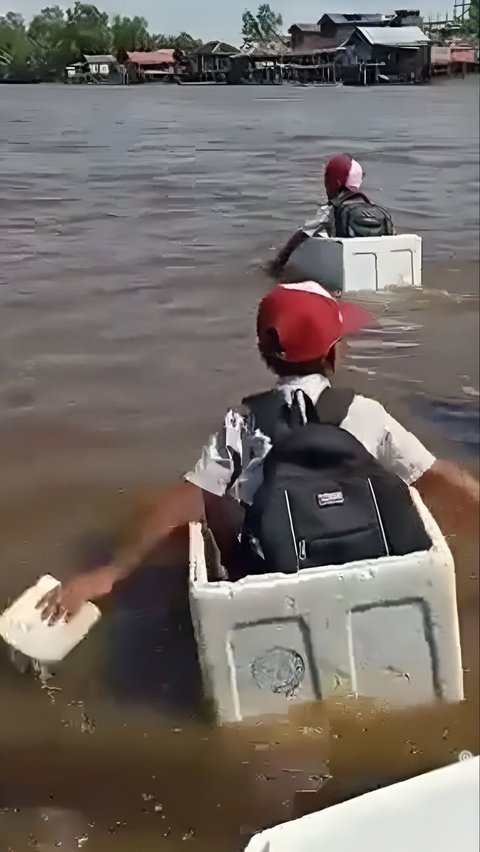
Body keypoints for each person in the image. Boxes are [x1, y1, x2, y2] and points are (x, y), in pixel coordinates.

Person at [39, 281, 479, 621]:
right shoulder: (367, 413)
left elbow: (187, 499)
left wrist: (112, 572)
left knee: (202, 500)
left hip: (275, 572)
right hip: (368, 563)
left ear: (264, 353)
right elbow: (441, 477)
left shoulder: (243, 422)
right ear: (335, 352)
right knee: (404, 482)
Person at [271, 153, 393, 276]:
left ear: (335, 182)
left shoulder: (331, 210)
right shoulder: (376, 209)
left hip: (346, 272)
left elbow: (302, 234)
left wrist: (277, 265)